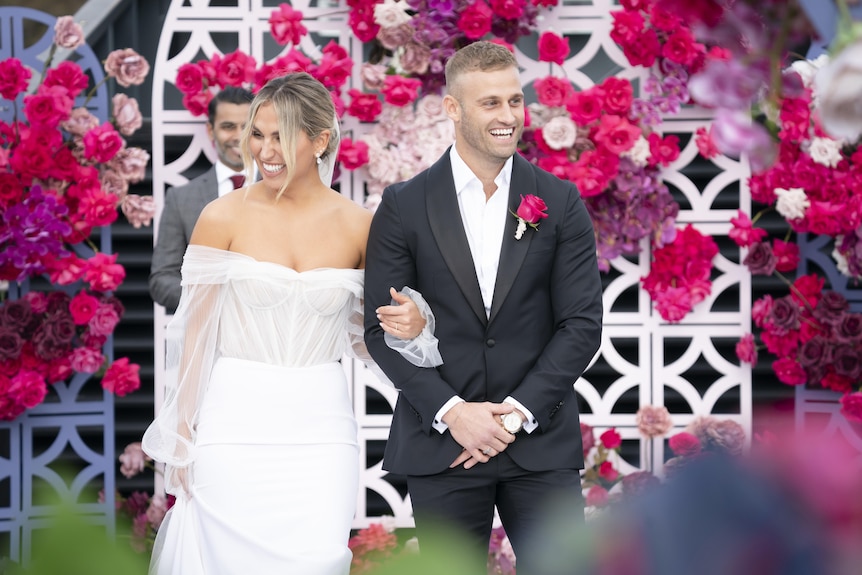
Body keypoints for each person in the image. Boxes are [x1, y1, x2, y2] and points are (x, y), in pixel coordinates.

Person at [141, 72, 432, 575]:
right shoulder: (220, 216)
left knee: (317, 560)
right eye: (258, 133)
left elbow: (372, 336)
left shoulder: (361, 225)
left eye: (282, 135)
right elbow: (196, 335)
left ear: (320, 140)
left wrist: (413, 324)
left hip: (321, 429)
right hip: (232, 425)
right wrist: (182, 433)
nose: (264, 149)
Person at [363, 41, 604, 573]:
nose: (508, 116)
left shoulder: (559, 201)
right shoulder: (404, 205)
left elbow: (582, 325)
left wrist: (515, 415)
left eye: (515, 101)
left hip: (539, 442)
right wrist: (455, 415)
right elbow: (382, 331)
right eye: (490, 103)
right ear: (453, 109)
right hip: (443, 443)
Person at [149, 86, 253, 313]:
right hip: (204, 335)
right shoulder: (181, 198)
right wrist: (211, 303)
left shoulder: (282, 191)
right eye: (228, 127)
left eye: (246, 127)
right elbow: (162, 279)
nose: (238, 136)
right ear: (210, 131)